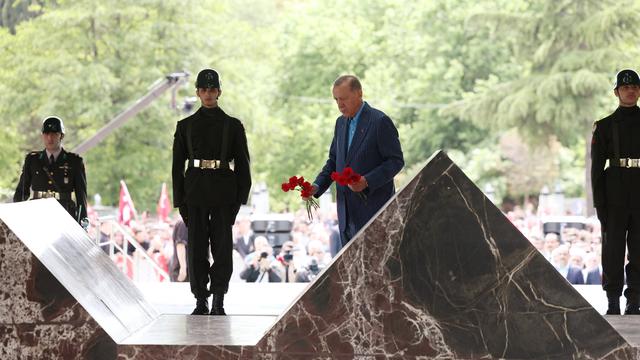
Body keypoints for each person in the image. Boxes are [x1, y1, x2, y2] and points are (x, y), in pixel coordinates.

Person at [172, 68, 252, 315]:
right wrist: (180, 202)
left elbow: (243, 165)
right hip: (194, 190)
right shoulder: (185, 126)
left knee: (221, 248)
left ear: (219, 92)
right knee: (196, 248)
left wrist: (239, 200)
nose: (208, 94)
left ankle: (218, 298)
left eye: (212, 89)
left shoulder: (233, 125)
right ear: (197, 92)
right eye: (204, 90)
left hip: (223, 192)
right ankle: (200, 299)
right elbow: (177, 166)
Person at [310, 75, 404, 245]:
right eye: (336, 99)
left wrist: (367, 181)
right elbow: (333, 162)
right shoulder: (340, 123)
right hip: (345, 215)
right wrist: (316, 186)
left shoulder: (380, 121)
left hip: (375, 214)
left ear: (359, 93)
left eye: (344, 98)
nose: (340, 104)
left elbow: (396, 161)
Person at [591, 68, 640, 315]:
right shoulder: (605, 126)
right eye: (625, 87)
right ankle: (612, 299)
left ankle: (634, 300)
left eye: (634, 87)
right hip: (615, 193)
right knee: (613, 249)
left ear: (639, 91)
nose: (630, 91)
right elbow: (597, 170)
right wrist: (600, 204)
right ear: (616, 92)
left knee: (639, 249)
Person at [14, 116, 88, 224]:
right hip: (36, 214)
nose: (50, 138)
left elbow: (81, 196)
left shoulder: (74, 162)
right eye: (46, 134)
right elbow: (22, 191)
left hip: (64, 214)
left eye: (54, 134)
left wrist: (83, 221)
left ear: (61, 136)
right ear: (42, 135)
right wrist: (17, 215)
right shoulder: (32, 160)